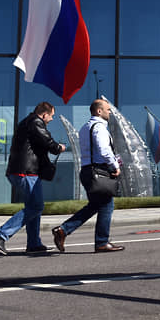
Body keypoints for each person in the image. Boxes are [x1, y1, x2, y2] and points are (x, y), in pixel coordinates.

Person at [0, 102, 65, 255]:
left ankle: (34, 243)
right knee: (36, 206)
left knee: (33, 206)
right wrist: (59, 147)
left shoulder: (27, 122)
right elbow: (49, 143)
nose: (52, 119)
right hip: (26, 172)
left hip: (22, 170)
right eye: (51, 116)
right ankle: (1, 234)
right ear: (44, 114)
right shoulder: (36, 122)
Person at [51, 99, 124, 253]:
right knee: (107, 205)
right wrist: (114, 166)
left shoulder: (86, 127)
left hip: (87, 171)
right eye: (107, 109)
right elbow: (104, 150)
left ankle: (63, 230)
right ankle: (102, 242)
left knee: (95, 205)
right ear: (99, 111)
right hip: (99, 172)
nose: (109, 112)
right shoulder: (99, 128)